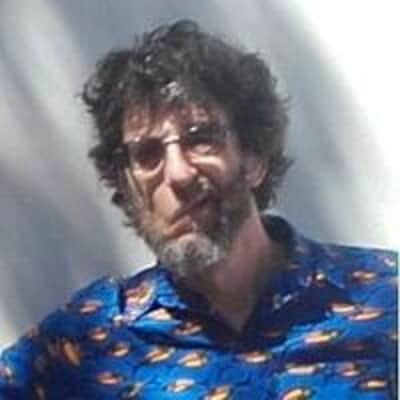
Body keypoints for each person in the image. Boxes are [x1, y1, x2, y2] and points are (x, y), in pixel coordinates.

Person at [0, 19, 397, 400]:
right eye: (147, 154)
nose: (178, 173)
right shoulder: (93, 335)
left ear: (254, 158)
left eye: (200, 139)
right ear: (126, 187)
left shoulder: (383, 295)